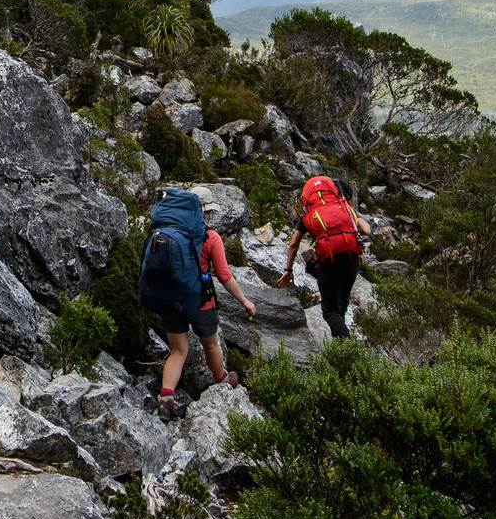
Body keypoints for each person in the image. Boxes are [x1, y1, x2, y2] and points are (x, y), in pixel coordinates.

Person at [143, 189, 257, 418]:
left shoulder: (162, 232)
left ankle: (166, 399)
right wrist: (245, 301)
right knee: (211, 345)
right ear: (202, 211)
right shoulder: (210, 237)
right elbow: (225, 277)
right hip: (200, 301)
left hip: (170, 299)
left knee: (178, 351)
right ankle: (223, 382)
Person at [279, 176, 371, 339]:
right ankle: (344, 347)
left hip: (329, 261)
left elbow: (293, 243)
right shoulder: (345, 208)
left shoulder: (309, 216)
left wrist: (288, 270)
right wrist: (350, 224)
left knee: (329, 311)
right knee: (341, 303)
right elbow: (367, 230)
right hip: (352, 257)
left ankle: (346, 347)